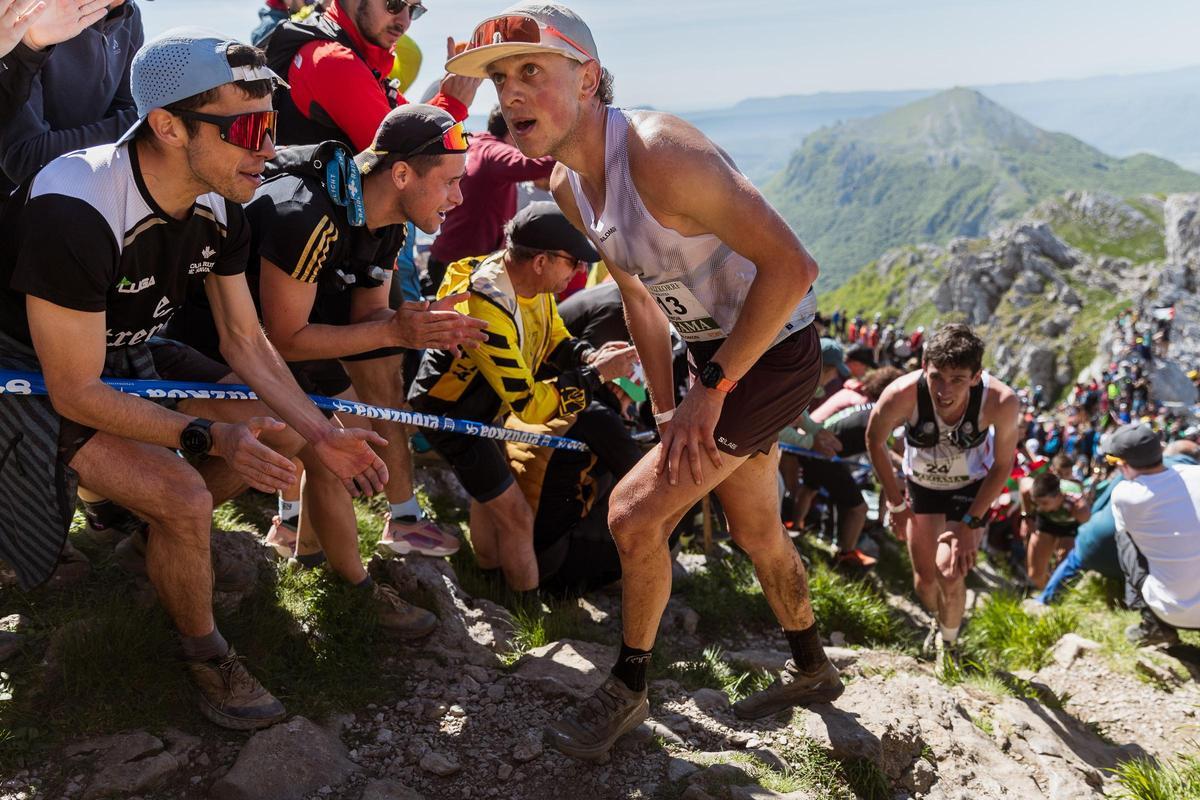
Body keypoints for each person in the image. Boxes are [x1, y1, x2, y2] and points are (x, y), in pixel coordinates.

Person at [446, 2, 840, 760]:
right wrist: (668, 407)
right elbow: (639, 299)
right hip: (712, 357)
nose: (511, 93)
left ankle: (627, 690)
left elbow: (794, 268)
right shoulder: (567, 186)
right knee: (757, 528)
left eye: (532, 70)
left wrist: (710, 390)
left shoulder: (660, 152)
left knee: (632, 514)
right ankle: (814, 668)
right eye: (500, 77)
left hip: (774, 347)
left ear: (588, 78)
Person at [0, 28, 390, 729]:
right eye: (246, 128)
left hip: (123, 350)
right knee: (184, 489)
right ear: (167, 126)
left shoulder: (221, 203)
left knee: (266, 432)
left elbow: (248, 340)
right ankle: (204, 652)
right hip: (26, 370)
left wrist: (316, 432)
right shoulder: (79, 199)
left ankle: (146, 534)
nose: (268, 149)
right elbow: (74, 390)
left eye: (271, 127)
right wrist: (205, 436)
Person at [167, 105, 487, 613]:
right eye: (450, 182)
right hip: (203, 342)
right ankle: (164, 524)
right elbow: (286, 339)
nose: (458, 197)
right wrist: (395, 330)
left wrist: (417, 330)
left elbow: (369, 320)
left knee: (355, 432)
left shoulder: (389, 224)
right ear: (401, 174)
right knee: (295, 436)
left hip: (275, 339)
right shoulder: (308, 214)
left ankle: (313, 555)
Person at [409, 202, 636, 592]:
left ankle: (488, 575)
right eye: (573, 263)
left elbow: (554, 338)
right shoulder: (487, 307)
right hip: (452, 413)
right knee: (515, 515)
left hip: (482, 403)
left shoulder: (532, 283)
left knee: (489, 495)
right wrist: (597, 374)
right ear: (541, 261)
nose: (579, 272)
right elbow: (529, 407)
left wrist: (587, 356)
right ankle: (527, 617)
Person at [866, 324, 1020, 660]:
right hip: (922, 487)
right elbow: (874, 440)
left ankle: (948, 645)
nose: (944, 391)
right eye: (937, 377)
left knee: (950, 572)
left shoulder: (1001, 402)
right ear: (924, 366)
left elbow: (1003, 465)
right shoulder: (901, 394)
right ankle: (940, 619)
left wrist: (970, 522)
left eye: (958, 380)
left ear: (977, 376)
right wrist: (895, 503)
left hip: (969, 489)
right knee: (924, 582)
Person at [263, 0, 478, 150]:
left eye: (414, 10)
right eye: (394, 3)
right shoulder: (336, 61)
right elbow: (401, 162)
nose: (404, 21)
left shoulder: (349, 48)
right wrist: (453, 103)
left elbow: (409, 125)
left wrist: (453, 92)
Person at [1, 0, 142, 192]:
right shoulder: (34, 11)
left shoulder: (128, 15)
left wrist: (141, 124)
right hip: (22, 206)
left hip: (90, 194)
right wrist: (142, 125)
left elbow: (125, 112)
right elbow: (25, 159)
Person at [781, 366, 903, 570]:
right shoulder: (878, 415)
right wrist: (905, 467)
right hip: (823, 454)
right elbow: (880, 450)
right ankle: (845, 555)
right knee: (859, 508)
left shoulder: (866, 406)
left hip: (813, 451)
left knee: (810, 487)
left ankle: (796, 525)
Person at [426, 104, 555, 292]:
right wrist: (567, 144)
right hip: (468, 267)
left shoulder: (473, 144)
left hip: (446, 258)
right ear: (515, 131)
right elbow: (538, 164)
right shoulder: (494, 152)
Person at [1106, 424, 1200, 646]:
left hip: (1173, 611)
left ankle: (1153, 625)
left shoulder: (1125, 495)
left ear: (1123, 465)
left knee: (1125, 538)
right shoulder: (1196, 474)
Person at [1019, 471, 1089, 589]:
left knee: (1063, 567)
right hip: (1046, 521)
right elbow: (1023, 485)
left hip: (1070, 526)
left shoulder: (1078, 505)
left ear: (1059, 496)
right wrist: (1027, 517)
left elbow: (1086, 527)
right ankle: (1046, 591)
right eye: (1037, 502)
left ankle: (1056, 595)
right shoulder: (1032, 490)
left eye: (1044, 503)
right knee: (1035, 574)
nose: (1040, 506)